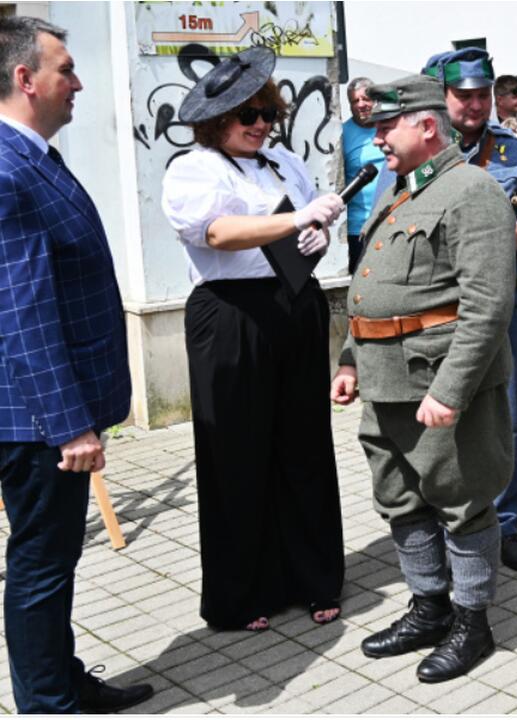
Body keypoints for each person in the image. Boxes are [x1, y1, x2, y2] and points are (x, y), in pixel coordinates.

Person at [331, 73, 517, 683]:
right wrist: (351, 361)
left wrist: (451, 390)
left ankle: (471, 622)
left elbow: (488, 304)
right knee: (399, 498)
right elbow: (375, 282)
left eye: (387, 126)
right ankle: (429, 606)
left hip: (435, 383)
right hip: (385, 380)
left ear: (426, 126)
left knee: (461, 500)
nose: (377, 138)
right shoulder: (398, 188)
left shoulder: (473, 191)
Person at [161, 47, 346, 632]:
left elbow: (302, 220)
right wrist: (295, 222)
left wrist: (315, 236)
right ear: (217, 122)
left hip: (294, 304)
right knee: (237, 454)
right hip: (231, 316)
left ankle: (313, 576)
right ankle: (244, 591)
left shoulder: (284, 161)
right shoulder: (193, 169)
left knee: (305, 444)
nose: (262, 124)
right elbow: (218, 232)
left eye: (268, 112)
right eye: (248, 116)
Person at [0, 16, 153, 713]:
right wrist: (69, 428)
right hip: (36, 420)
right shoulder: (8, 169)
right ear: (24, 79)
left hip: (44, 411)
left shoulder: (30, 157)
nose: (79, 82)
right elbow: (22, 313)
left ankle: (59, 681)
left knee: (53, 561)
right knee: (39, 564)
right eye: (66, 69)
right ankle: (47, 705)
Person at [428, 48, 517, 572]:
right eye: (463, 96)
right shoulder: (424, 151)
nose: (474, 105)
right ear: (443, 97)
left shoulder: (510, 148)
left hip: (506, 302)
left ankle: (505, 525)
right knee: (442, 418)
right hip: (439, 310)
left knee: (504, 418)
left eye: (481, 95)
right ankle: (449, 528)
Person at [343, 76, 386, 274]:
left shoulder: (390, 126)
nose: (361, 105)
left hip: (389, 223)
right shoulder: (341, 135)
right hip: (358, 228)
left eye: (365, 99)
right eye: (355, 101)